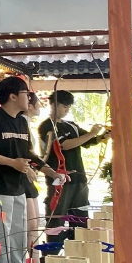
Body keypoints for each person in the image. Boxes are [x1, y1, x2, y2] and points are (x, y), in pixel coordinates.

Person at [0, 76, 60, 263]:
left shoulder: (21, 122)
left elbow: (27, 153)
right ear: (12, 97)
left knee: (18, 233)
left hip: (16, 185)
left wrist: (50, 171)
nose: (29, 97)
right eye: (25, 93)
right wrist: (13, 163)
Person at [38, 90, 109, 226]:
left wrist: (102, 136)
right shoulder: (47, 126)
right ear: (53, 105)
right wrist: (92, 134)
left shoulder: (71, 125)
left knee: (80, 218)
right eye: (64, 106)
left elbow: (87, 140)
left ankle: (78, 245)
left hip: (78, 178)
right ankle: (54, 246)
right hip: (59, 178)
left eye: (69, 107)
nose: (67, 110)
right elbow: (64, 145)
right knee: (57, 218)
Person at [23, 92, 44, 247]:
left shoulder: (27, 123)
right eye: (38, 103)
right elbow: (26, 152)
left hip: (28, 174)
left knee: (34, 224)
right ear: (29, 105)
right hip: (23, 175)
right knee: (30, 225)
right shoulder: (21, 123)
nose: (40, 106)